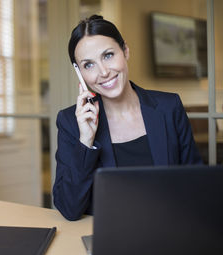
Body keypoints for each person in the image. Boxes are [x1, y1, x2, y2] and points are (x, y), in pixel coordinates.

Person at [53, 15, 203, 221]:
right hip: (111, 240)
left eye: (108, 55)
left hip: (170, 230)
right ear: (79, 73)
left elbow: (195, 184)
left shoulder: (169, 107)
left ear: (125, 51)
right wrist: (86, 142)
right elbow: (69, 209)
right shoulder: (71, 121)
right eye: (89, 65)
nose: (103, 72)